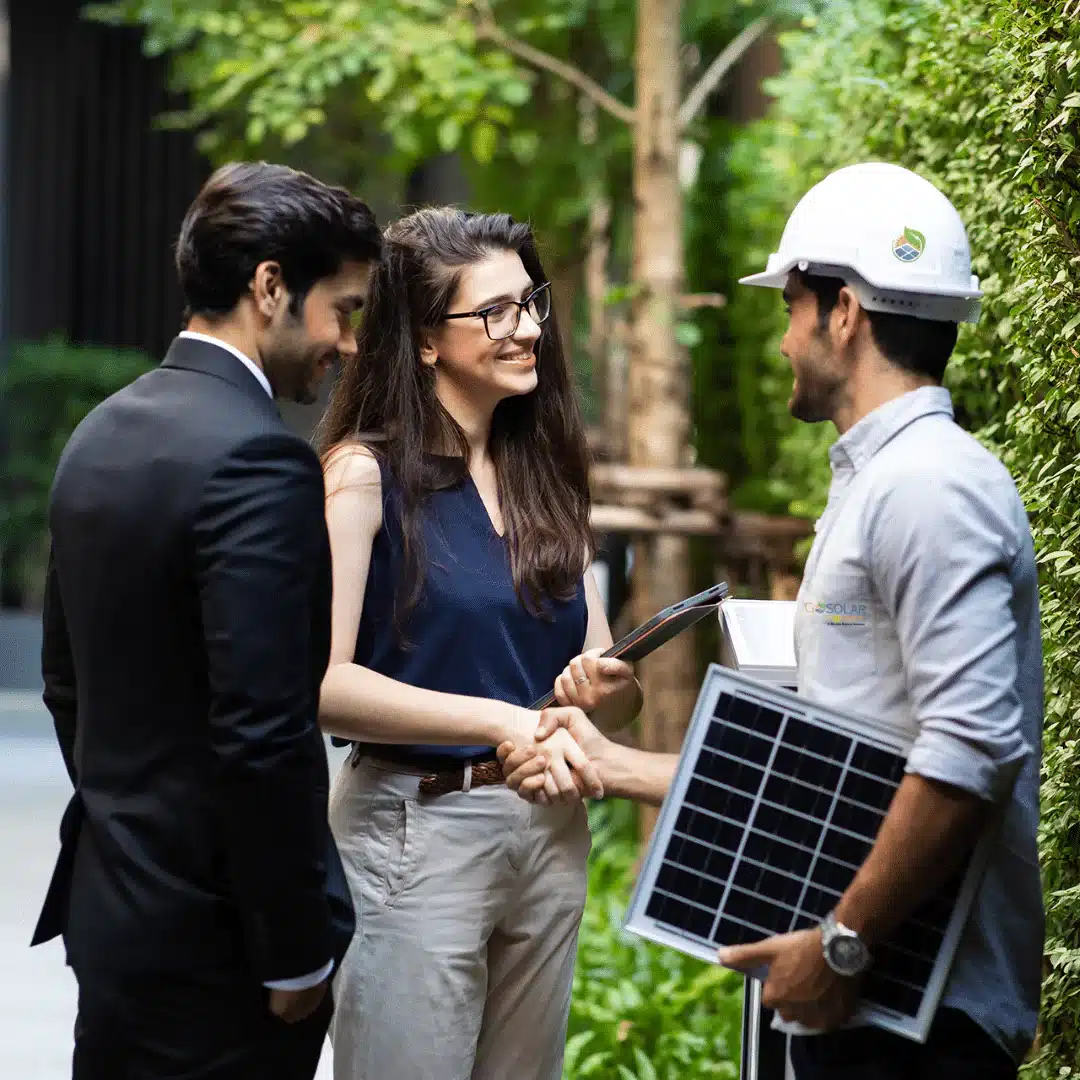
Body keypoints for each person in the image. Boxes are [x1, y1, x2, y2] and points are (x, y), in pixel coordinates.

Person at [501, 163, 1043, 1080]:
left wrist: (840, 943)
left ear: (846, 313)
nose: (783, 340)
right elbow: (840, 770)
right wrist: (616, 767)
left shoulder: (930, 491)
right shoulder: (884, 484)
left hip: (914, 1018)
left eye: (791, 308)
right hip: (871, 999)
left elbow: (968, 752)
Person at [32, 162, 382, 1080]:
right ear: (270, 286)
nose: (347, 345)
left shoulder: (101, 431)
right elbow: (263, 733)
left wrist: (136, 837)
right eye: (342, 311)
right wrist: (296, 945)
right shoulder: (259, 459)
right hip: (222, 955)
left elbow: (64, 683)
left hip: (114, 916)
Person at [314, 206, 643, 1080]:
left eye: (530, 302)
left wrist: (602, 688)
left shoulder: (551, 474)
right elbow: (323, 684)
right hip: (414, 830)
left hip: (548, 829)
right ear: (426, 341)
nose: (528, 327)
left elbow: (611, 680)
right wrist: (504, 718)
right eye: (494, 313)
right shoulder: (361, 473)